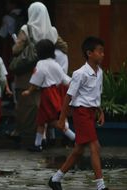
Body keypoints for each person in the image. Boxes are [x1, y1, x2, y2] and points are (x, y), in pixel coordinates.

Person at [7, 2, 72, 146]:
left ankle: (29, 136)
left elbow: (16, 50)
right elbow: (64, 47)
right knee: (44, 107)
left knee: (27, 107)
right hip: (46, 78)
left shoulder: (26, 29)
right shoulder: (52, 31)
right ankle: (45, 137)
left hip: (27, 76)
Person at [48, 36, 109, 190]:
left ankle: (56, 179)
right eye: (99, 51)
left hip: (90, 112)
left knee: (79, 150)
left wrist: (100, 111)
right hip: (80, 113)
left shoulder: (100, 72)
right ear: (89, 53)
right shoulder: (80, 73)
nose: (102, 54)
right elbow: (68, 96)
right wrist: (62, 120)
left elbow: (96, 95)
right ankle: (100, 186)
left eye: (103, 51)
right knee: (95, 146)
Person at [21, 39, 73, 152]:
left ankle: (73, 137)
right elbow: (64, 79)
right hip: (56, 93)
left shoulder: (40, 64)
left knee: (49, 120)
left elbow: (37, 79)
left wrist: (29, 91)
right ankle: (37, 144)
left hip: (47, 94)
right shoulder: (55, 64)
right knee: (42, 119)